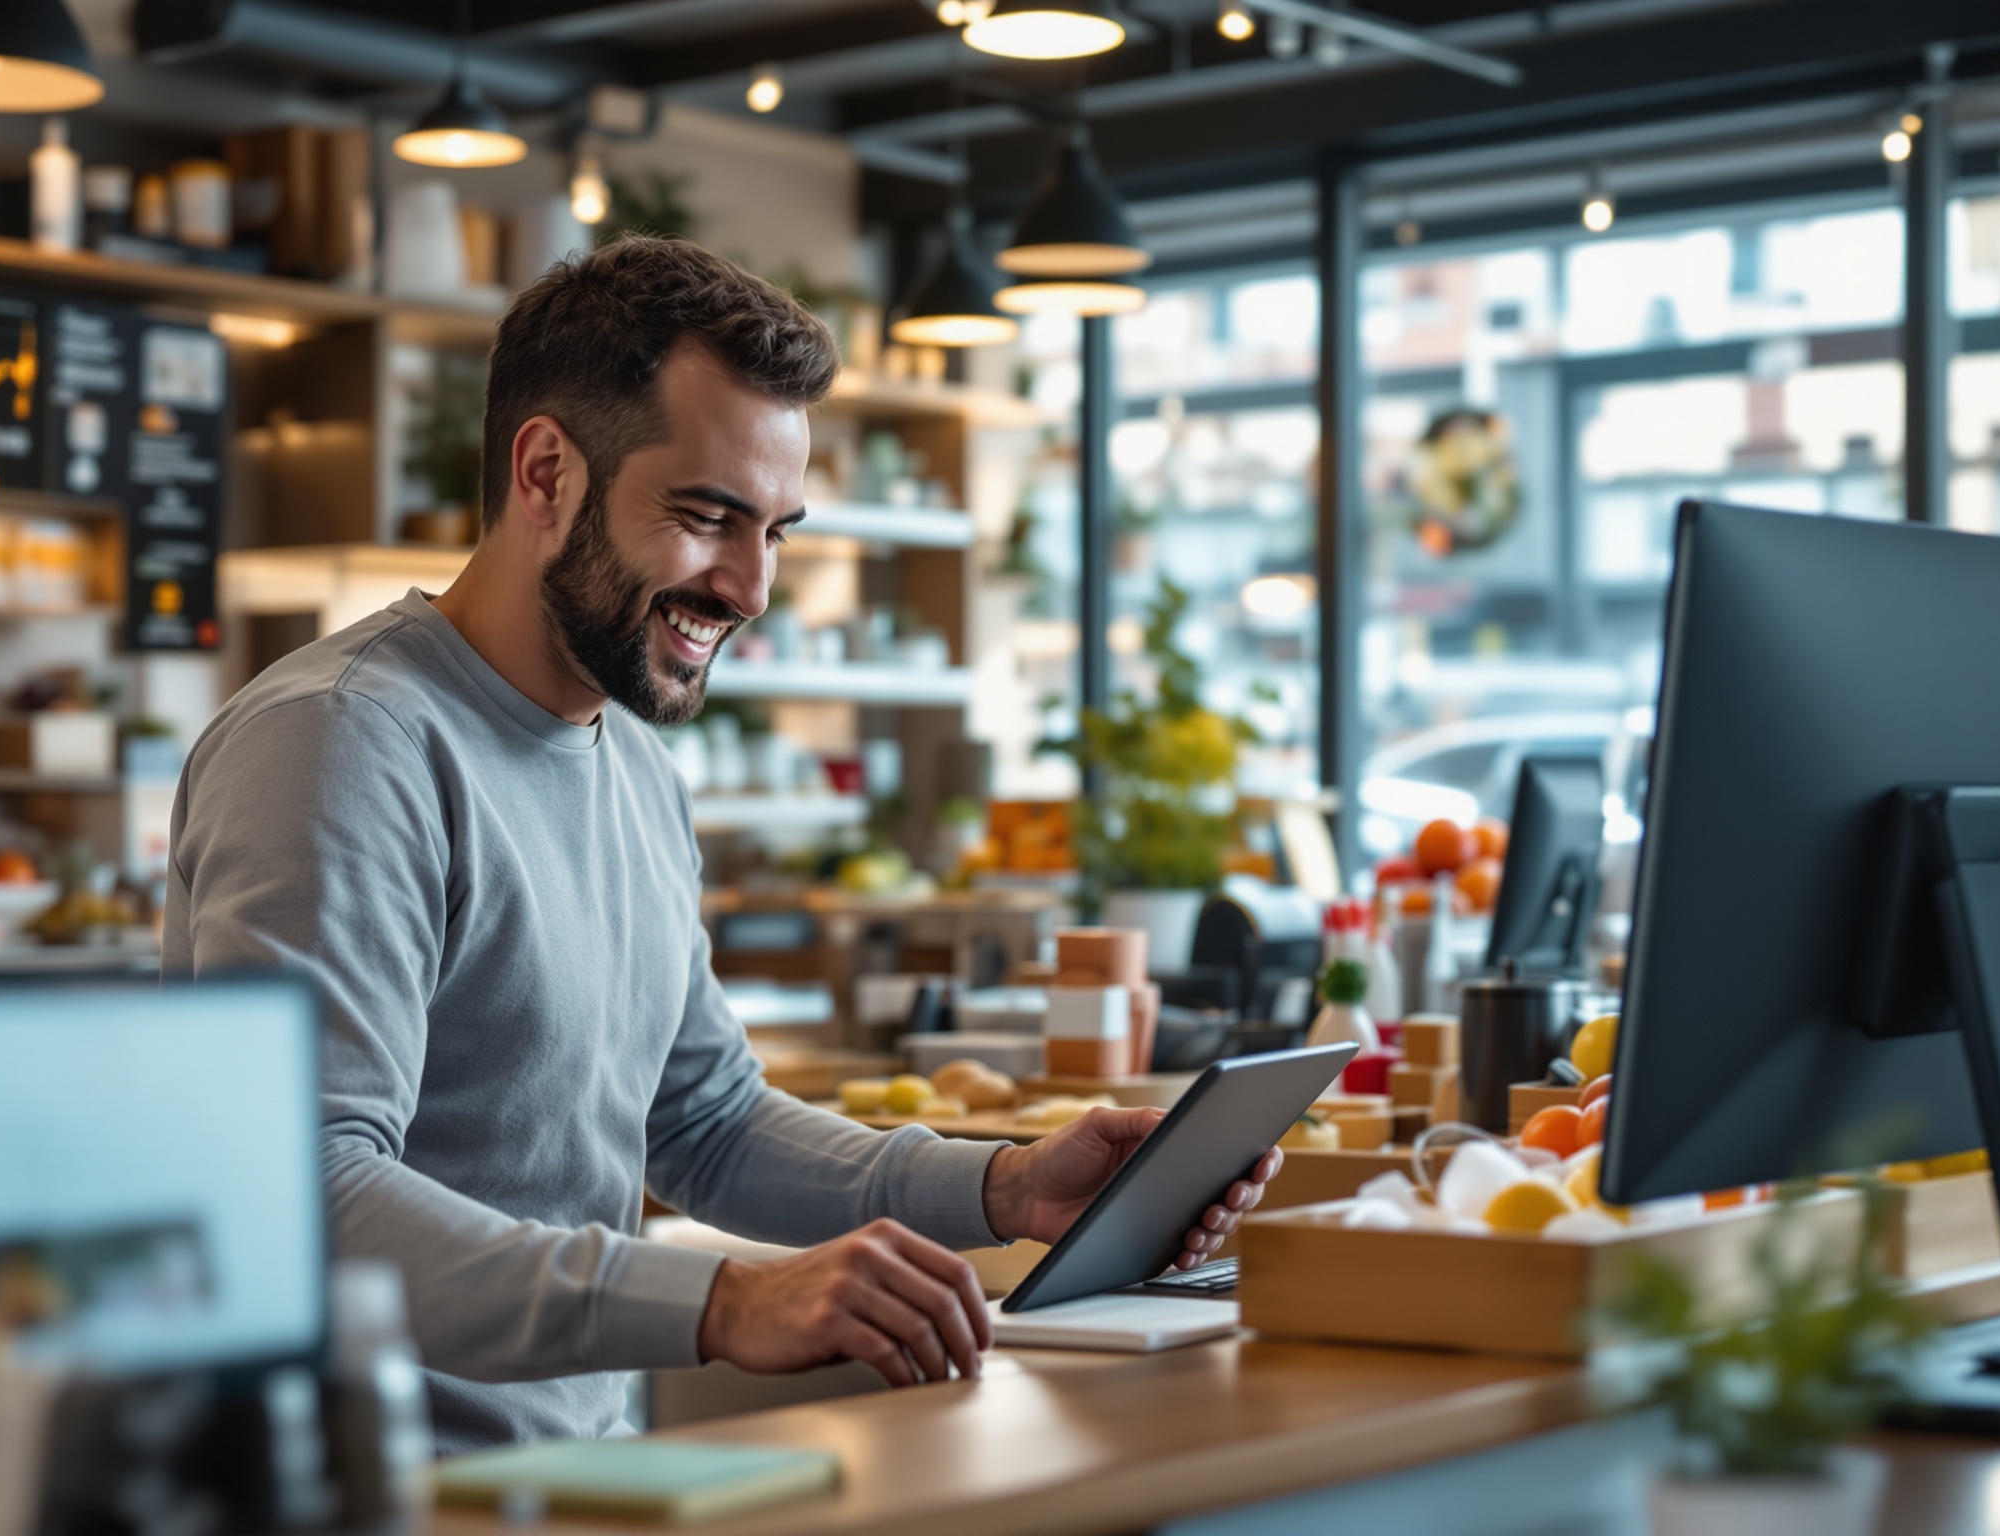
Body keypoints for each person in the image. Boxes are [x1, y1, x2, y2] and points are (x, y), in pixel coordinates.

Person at [164, 237, 1280, 1452]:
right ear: (545, 474)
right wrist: (724, 1299)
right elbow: (300, 1191)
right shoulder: (343, 744)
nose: (750, 587)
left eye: (777, 532)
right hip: (363, 1491)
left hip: (577, 1475)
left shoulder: (633, 761)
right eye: (707, 518)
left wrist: (1005, 1187)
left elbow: (699, 1121)